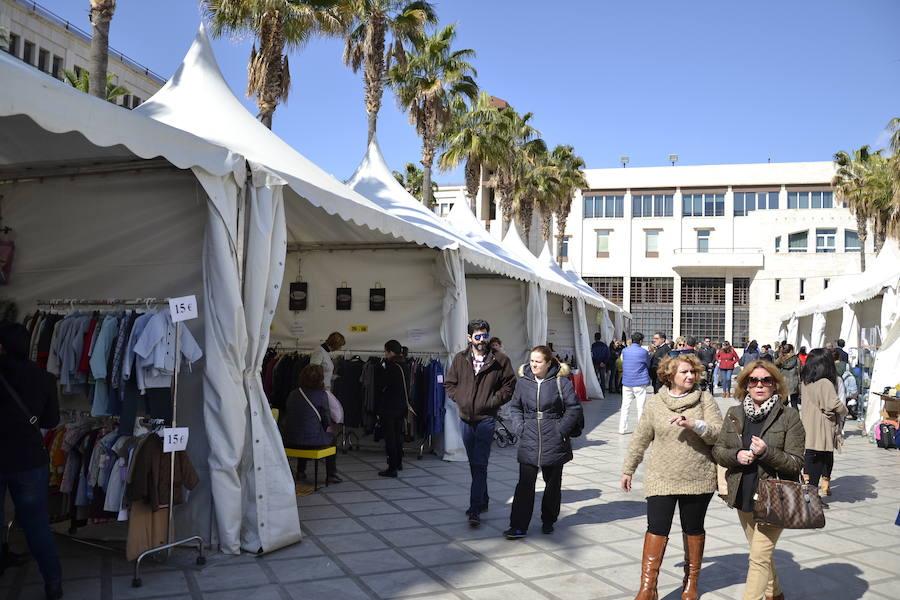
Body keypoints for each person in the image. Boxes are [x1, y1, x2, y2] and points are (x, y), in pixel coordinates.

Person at [621, 353, 723, 600]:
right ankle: (648, 587)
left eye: (693, 372)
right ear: (670, 375)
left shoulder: (705, 400)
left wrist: (694, 425)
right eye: (684, 372)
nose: (690, 376)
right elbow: (641, 438)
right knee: (656, 528)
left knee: (693, 529)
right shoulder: (656, 403)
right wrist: (628, 468)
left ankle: (691, 583)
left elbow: (719, 433)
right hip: (661, 476)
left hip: (698, 477)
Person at [712, 360, 805, 600]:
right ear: (745, 385)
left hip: (774, 497)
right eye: (754, 381)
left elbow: (796, 463)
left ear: (775, 385)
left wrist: (766, 452)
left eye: (767, 380)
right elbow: (719, 451)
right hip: (743, 493)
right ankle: (775, 594)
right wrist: (736, 455)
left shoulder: (789, 416)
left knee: (758, 558)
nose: (760, 385)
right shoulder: (735, 414)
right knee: (760, 553)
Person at [0, 323, 63, 600]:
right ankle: (53, 582)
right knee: (36, 525)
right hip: (28, 459)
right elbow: (51, 421)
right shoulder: (44, 377)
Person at [505, 346, 583, 539]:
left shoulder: (561, 382)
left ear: (548, 363)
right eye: (532, 360)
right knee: (525, 484)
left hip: (554, 439)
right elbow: (515, 407)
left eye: (538, 361)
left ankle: (549, 519)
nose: (534, 364)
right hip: (529, 437)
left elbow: (574, 408)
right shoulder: (523, 382)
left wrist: (560, 430)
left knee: (552, 483)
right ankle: (518, 525)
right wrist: (519, 427)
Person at [445, 319, 516, 527]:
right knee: (474, 463)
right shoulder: (460, 359)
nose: (482, 340)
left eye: (485, 335)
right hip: (465, 419)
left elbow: (509, 385)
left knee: (480, 463)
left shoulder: (500, 360)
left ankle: (474, 508)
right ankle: (483, 500)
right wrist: (461, 399)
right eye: (478, 336)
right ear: (469, 338)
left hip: (486, 419)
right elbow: (450, 383)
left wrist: (492, 402)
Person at [799, 348, 847, 500]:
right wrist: (845, 410)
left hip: (808, 424)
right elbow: (833, 404)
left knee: (812, 460)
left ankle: (809, 494)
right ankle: (812, 497)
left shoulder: (806, 382)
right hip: (822, 427)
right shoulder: (825, 382)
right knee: (819, 462)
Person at [282, 364, 341, 485]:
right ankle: (331, 474)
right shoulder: (322, 395)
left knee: (303, 432)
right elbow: (326, 420)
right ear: (321, 379)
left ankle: (300, 471)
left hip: (290, 440)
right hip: (313, 443)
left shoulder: (293, 393)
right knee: (332, 438)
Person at [375, 340, 411, 478]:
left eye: (385, 351)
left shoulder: (390, 366)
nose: (385, 354)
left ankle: (392, 468)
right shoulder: (405, 365)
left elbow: (382, 385)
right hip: (401, 406)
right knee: (398, 435)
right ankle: (398, 463)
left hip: (389, 406)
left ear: (390, 352)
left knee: (390, 437)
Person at [620, 332, 651, 434]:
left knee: (625, 406)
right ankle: (640, 429)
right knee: (640, 407)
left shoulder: (625, 351)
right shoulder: (643, 352)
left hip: (627, 381)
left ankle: (622, 428)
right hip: (640, 381)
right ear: (641, 341)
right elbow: (648, 364)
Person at [775, 344, 800, 409]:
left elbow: (776, 368)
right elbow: (800, 370)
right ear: (791, 350)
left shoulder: (780, 359)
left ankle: (784, 417)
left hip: (783, 382)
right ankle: (796, 417)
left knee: (784, 402)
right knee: (794, 403)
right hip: (794, 382)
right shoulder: (796, 359)